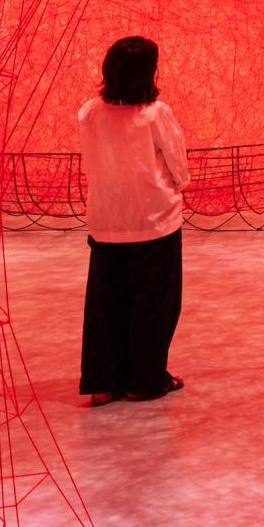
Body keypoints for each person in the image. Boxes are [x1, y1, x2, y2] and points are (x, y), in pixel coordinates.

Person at [78, 36, 187, 405]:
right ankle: (145, 380)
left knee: (104, 303)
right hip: (153, 219)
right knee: (153, 303)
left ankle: (102, 383)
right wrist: (177, 187)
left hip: (107, 219)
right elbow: (177, 162)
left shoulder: (90, 111)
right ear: (149, 72)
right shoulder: (155, 112)